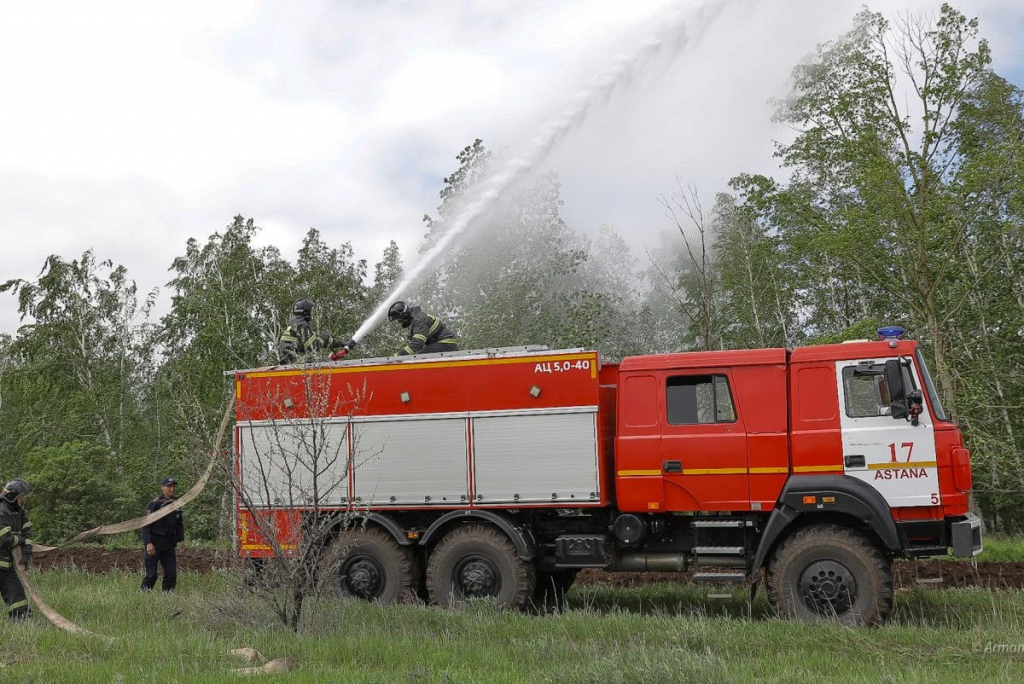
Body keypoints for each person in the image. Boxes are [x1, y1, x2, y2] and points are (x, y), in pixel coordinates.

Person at [140, 477, 186, 592]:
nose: (171, 489)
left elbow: (179, 523)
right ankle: (143, 595)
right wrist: (148, 543)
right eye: (169, 486)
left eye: (173, 486)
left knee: (171, 574)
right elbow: (146, 525)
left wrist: (181, 540)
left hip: (169, 544)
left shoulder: (176, 503)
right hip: (155, 544)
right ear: (162, 488)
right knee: (151, 575)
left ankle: (167, 596)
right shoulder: (155, 504)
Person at [278, 298, 355, 364]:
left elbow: (315, 338)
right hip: (296, 361)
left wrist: (343, 343)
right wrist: (325, 338)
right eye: (311, 310)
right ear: (306, 311)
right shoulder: (302, 325)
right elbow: (313, 347)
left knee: (325, 361)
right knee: (327, 364)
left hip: (291, 360)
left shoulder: (296, 324)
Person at [0, 479, 33, 620]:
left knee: (16, 594)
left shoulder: (19, 511)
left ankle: (22, 620)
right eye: (21, 497)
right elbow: (4, 539)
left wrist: (26, 552)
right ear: (13, 496)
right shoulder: (1, 510)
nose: (22, 501)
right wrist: (20, 540)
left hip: (5, 563)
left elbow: (28, 532)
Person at [387, 301, 459, 355]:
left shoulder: (418, 321)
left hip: (445, 343)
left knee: (418, 358)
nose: (399, 322)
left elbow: (418, 343)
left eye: (399, 320)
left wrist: (399, 355)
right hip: (440, 343)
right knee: (416, 355)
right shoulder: (415, 320)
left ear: (404, 316)